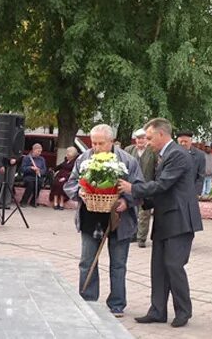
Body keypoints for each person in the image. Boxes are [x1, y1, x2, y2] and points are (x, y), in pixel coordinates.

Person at [118, 118, 203, 328]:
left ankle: (183, 311)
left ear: (162, 135)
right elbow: (160, 190)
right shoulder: (164, 155)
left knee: (174, 266)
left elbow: (163, 185)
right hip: (165, 219)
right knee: (158, 267)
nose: (146, 142)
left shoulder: (177, 155)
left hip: (180, 220)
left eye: (149, 137)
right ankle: (157, 311)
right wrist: (137, 201)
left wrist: (133, 190)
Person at [64, 124, 144, 318]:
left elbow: (140, 188)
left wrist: (126, 201)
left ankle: (117, 304)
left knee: (118, 263)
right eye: (93, 143)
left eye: (101, 143)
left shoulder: (127, 161)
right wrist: (80, 192)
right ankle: (88, 299)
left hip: (120, 219)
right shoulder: (84, 158)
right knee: (87, 261)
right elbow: (70, 184)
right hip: (90, 216)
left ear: (112, 141)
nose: (96, 147)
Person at [124, 129, 157, 247]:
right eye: (138, 138)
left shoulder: (152, 151)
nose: (140, 141)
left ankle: (141, 238)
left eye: (143, 138)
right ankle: (132, 235)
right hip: (131, 187)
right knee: (132, 211)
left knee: (144, 213)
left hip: (146, 186)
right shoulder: (128, 150)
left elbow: (156, 169)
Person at [176, 130, 205, 195]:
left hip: (191, 192)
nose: (183, 144)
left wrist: (196, 194)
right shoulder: (172, 153)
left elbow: (200, 177)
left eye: (185, 141)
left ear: (191, 141)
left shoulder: (200, 155)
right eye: (181, 142)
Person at [20, 143, 47, 207]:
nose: (39, 153)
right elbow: (23, 169)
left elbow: (44, 169)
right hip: (28, 176)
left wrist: (39, 171)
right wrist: (31, 168)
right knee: (30, 184)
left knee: (39, 183)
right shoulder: (27, 158)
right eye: (38, 151)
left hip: (38, 176)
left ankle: (33, 201)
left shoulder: (42, 159)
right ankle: (24, 201)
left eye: (40, 151)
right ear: (33, 150)